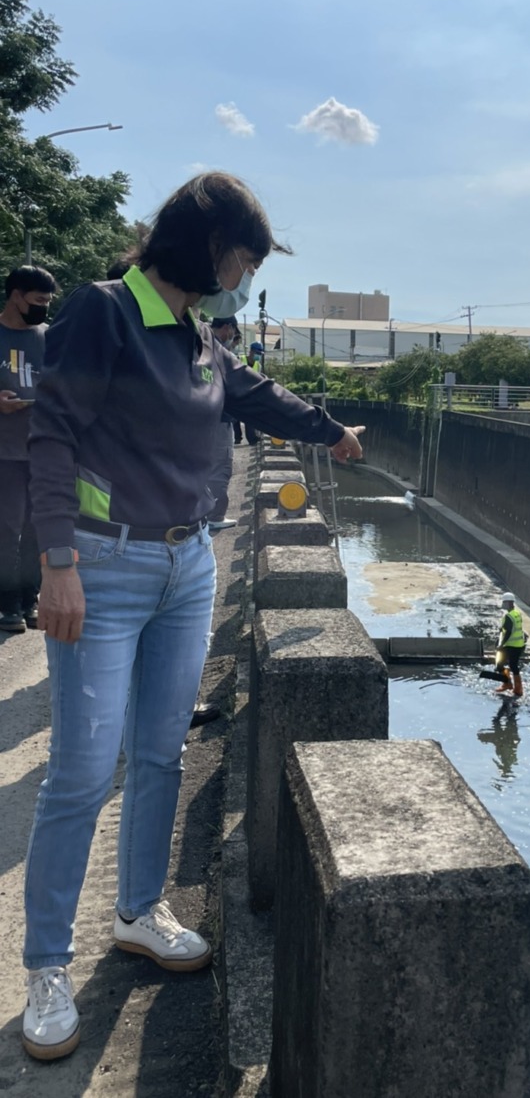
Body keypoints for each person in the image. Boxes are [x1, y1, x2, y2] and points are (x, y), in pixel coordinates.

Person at [21, 171, 365, 1061]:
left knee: (161, 752)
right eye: (243, 258)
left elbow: (250, 394)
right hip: (102, 565)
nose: (244, 276)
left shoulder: (200, 333)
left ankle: (138, 911)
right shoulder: (103, 312)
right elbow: (52, 433)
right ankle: (46, 965)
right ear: (205, 244)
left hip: (188, 565)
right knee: (82, 768)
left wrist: (329, 428)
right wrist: (56, 562)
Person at [0, 266, 58, 633]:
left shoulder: (48, 337)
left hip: (41, 447)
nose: (43, 309)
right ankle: (7, 604)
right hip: (4, 452)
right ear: (16, 296)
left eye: (48, 302)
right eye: (38, 301)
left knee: (38, 528)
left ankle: (29, 598)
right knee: (6, 529)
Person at [207, 315, 240, 530]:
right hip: (220, 419)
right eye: (233, 333)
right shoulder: (218, 351)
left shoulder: (199, 343)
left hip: (205, 419)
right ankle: (214, 516)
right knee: (221, 467)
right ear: (227, 328)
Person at [494, 591, 526, 696]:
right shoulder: (517, 614)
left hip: (510, 645)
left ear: (508, 603)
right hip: (519, 645)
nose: (503, 604)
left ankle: (507, 684)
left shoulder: (508, 617)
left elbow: (508, 632)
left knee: (499, 665)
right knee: (513, 666)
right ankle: (518, 689)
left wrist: (501, 645)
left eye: (504, 602)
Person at [244, 342, 264, 445]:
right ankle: (237, 437)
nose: (258, 355)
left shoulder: (258, 366)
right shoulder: (240, 360)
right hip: (237, 389)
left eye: (260, 354)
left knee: (250, 416)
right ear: (251, 351)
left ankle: (252, 439)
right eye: (257, 353)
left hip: (250, 392)